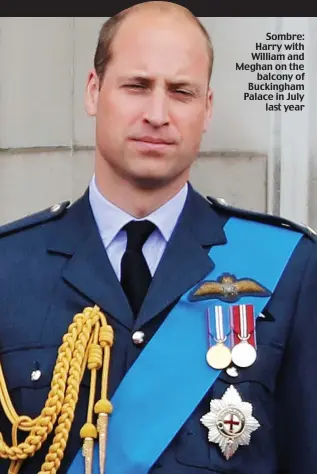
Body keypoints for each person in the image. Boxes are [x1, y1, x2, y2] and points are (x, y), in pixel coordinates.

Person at [1, 2, 317, 474]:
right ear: (94, 91)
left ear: (206, 109)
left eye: (181, 92)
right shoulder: (8, 266)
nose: (157, 113)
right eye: (137, 86)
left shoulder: (290, 267)